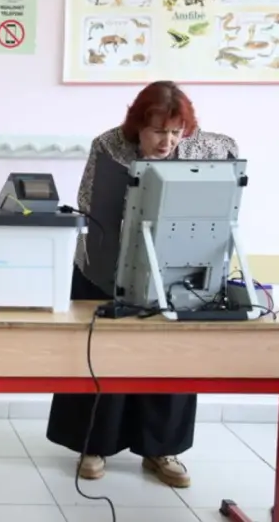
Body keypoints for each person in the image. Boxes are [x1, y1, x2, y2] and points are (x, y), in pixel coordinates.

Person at [45, 80, 238, 489]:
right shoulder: (109, 147)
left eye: (175, 132)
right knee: (104, 355)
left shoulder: (210, 149)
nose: (167, 142)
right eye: (157, 132)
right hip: (107, 265)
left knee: (170, 359)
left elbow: (225, 201)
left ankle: (160, 449)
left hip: (177, 271)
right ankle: (93, 445)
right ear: (137, 127)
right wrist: (118, 278)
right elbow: (94, 212)